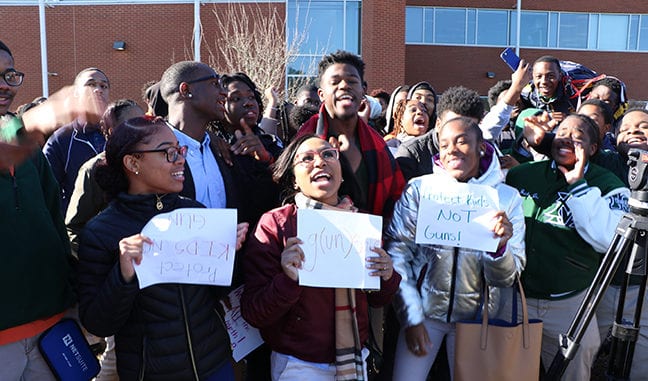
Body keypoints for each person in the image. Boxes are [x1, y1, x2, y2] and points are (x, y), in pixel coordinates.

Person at [77, 116, 249, 380]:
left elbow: (217, 294)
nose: (180, 159)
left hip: (214, 364)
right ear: (133, 163)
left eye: (179, 150)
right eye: (168, 153)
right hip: (151, 372)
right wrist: (123, 275)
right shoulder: (101, 232)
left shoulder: (194, 212)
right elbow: (98, 323)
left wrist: (228, 254)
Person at [241, 134, 401, 380]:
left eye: (328, 154)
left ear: (341, 171)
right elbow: (254, 312)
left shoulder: (361, 223)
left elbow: (378, 299)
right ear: (294, 179)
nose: (320, 162)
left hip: (355, 360)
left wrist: (387, 276)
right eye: (306, 158)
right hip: (298, 365)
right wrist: (288, 280)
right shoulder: (275, 224)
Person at [386, 117, 525, 380]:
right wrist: (411, 315)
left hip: (478, 320)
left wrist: (499, 249)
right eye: (445, 143)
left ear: (481, 147)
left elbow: (509, 276)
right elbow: (398, 252)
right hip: (425, 313)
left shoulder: (506, 199)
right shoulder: (420, 189)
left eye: (461, 141)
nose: (451, 149)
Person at [506, 113, 629, 380]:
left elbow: (607, 239)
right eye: (562, 132)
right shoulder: (520, 175)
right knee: (506, 371)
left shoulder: (610, 185)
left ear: (593, 148)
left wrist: (578, 185)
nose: (567, 139)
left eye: (578, 137)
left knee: (573, 371)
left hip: (569, 301)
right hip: (516, 297)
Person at [0, 39, 77, 381]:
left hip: (50, 330)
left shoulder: (24, 143)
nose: (4, 84)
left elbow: (55, 224)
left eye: (9, 74)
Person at [296, 50, 405, 219]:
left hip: (371, 241)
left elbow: (396, 200)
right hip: (315, 238)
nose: (344, 86)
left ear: (363, 91)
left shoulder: (378, 145)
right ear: (321, 94)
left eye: (352, 81)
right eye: (335, 82)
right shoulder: (304, 140)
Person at [43, 67, 110, 214]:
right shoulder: (60, 140)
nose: (98, 90)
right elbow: (48, 191)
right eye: (91, 84)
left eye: (103, 86)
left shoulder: (122, 133)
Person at [217, 72, 283, 162]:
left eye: (251, 97)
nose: (249, 103)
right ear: (220, 104)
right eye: (236, 98)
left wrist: (266, 158)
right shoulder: (211, 145)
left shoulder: (271, 144)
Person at [520, 55, 576, 124]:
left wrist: (570, 119)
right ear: (533, 77)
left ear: (560, 75)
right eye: (539, 76)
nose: (544, 81)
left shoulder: (574, 93)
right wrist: (539, 116)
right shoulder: (526, 94)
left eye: (550, 76)